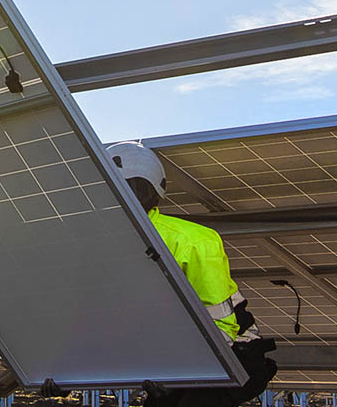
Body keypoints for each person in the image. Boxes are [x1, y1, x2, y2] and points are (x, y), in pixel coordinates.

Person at [106, 140, 278, 407]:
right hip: (176, 359)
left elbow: (221, 326)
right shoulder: (103, 245)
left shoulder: (193, 240)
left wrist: (181, 373)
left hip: (233, 356)